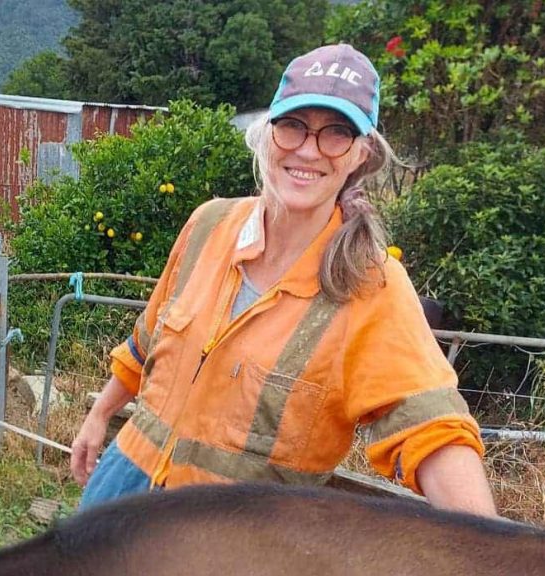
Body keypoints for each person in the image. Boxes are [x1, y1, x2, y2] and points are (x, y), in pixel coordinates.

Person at [70, 43, 498, 518]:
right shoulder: (209, 225)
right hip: (119, 488)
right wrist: (100, 414)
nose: (308, 150)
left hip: (235, 542)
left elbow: (431, 427)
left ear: (360, 153)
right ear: (267, 134)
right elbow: (148, 340)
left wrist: (490, 553)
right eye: (293, 125)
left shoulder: (372, 285)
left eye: (336, 132)